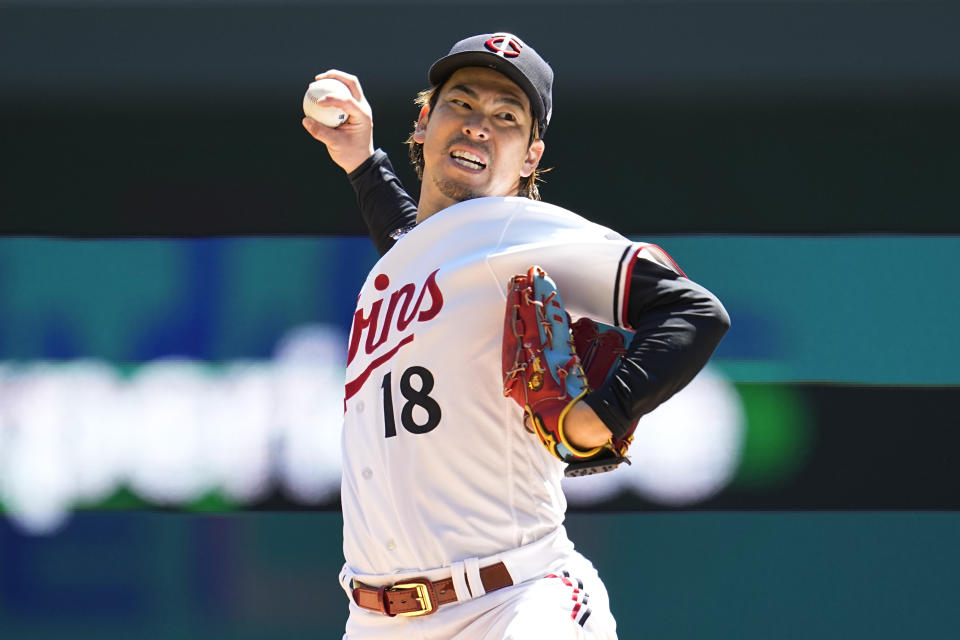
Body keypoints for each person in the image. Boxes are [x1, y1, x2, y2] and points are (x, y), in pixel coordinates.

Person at [303, 33, 730, 640]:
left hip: (515, 604)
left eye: (506, 117)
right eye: (463, 104)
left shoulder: (524, 231)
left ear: (530, 157)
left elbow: (693, 311)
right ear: (424, 122)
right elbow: (415, 243)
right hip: (377, 621)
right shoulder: (415, 261)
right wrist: (364, 162)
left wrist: (603, 413)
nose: (480, 125)